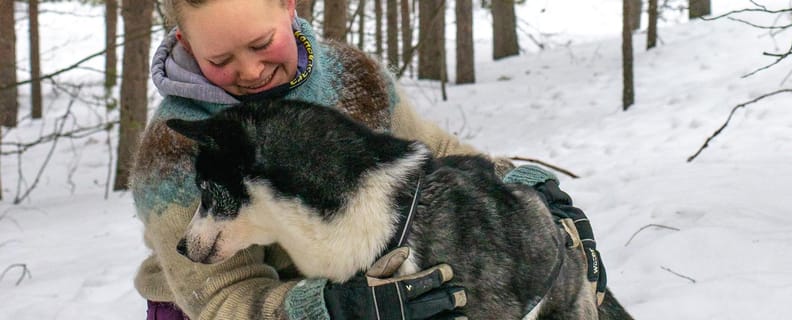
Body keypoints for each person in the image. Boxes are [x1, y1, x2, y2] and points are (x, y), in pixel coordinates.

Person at [130, 0, 609, 319]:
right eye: (221, 59)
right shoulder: (175, 149)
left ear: (289, 6)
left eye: (260, 44)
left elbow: (434, 154)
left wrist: (525, 185)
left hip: (369, 293)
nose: (251, 71)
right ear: (188, 45)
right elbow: (216, 298)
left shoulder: (349, 76)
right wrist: (332, 309)